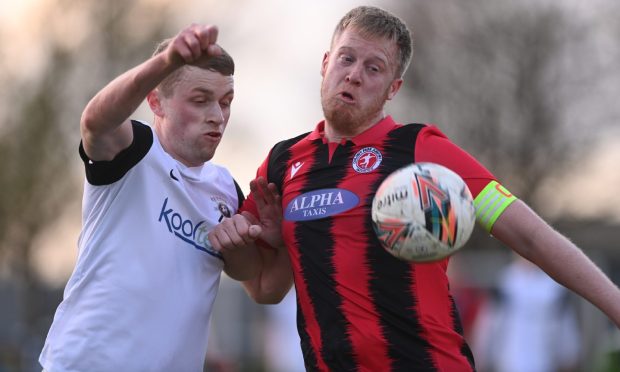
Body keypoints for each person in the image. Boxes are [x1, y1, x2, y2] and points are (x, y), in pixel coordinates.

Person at [208, 6, 620, 371]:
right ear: (325, 63)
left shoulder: (421, 150)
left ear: (393, 89)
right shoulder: (282, 163)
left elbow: (530, 236)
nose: (354, 74)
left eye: (374, 68)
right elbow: (264, 288)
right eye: (347, 58)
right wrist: (258, 245)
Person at [39, 24, 263, 371]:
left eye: (225, 102)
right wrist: (167, 61)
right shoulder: (135, 150)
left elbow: (254, 277)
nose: (217, 117)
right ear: (156, 101)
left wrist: (244, 242)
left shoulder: (225, 190)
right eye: (200, 100)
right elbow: (95, 122)